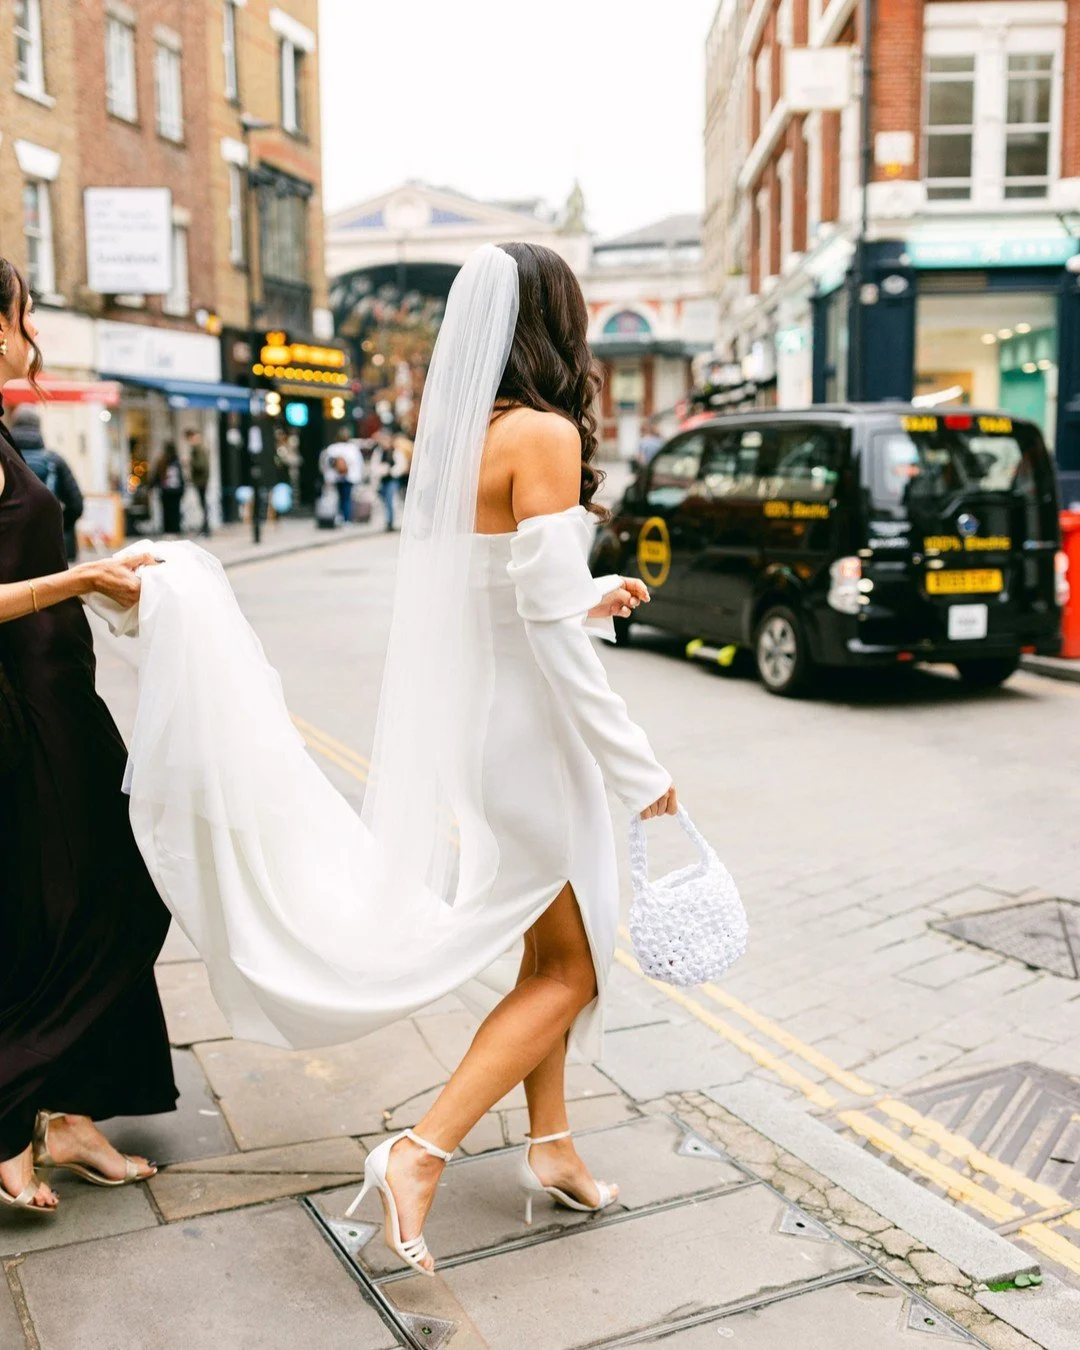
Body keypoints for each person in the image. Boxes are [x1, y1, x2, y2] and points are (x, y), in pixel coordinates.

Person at [107, 243, 677, 1274]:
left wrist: (590, 595)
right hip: (536, 734)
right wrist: (638, 771)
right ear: (558, 321)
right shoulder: (545, 432)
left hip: (487, 733)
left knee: (552, 954)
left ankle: (553, 1148)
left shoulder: (467, 436)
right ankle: (420, 1154)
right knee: (575, 966)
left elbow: (497, 594)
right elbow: (545, 632)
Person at [0, 257, 177, 1216]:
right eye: (28, 316)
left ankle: (69, 1118)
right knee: (90, 904)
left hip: (62, 702)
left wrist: (103, 581)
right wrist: (81, 579)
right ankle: (8, 1118)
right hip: (21, 721)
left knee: (102, 894)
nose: (37, 335)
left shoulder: (7, 434)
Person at [9, 410, 84, 561]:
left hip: (9, 543)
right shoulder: (54, 460)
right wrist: (59, 526)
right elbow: (76, 504)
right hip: (46, 542)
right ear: (38, 428)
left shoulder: (4, 458)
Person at [153, 443, 185, 535]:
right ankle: (174, 529)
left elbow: (156, 476)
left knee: (168, 511)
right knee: (174, 511)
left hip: (168, 490)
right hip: (173, 490)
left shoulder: (163, 461)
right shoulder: (176, 462)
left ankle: (169, 529)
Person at [184, 428, 211, 537]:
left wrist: (189, 462)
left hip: (201, 481)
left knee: (203, 504)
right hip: (201, 481)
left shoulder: (198, 449)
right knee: (203, 504)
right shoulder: (199, 448)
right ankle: (205, 528)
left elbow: (201, 466)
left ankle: (206, 528)